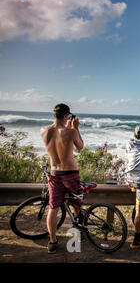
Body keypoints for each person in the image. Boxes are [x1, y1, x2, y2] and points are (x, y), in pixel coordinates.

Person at [40, 104, 84, 254]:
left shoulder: (43, 131)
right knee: (76, 202)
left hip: (54, 174)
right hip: (70, 172)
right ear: (66, 116)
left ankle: (52, 242)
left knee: (53, 208)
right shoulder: (70, 131)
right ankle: (79, 230)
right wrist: (76, 127)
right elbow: (81, 146)